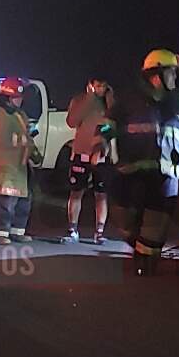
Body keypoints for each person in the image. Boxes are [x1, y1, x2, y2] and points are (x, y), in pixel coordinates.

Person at [107, 49, 179, 276]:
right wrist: (101, 140)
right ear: (155, 75)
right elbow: (108, 124)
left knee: (156, 226)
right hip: (131, 173)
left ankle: (146, 266)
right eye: (171, 73)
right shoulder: (129, 101)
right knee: (125, 220)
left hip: (166, 175)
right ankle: (140, 254)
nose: (174, 78)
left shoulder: (178, 105)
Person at [0, 76, 42, 245]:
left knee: (24, 200)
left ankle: (18, 231)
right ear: (7, 98)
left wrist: (33, 152)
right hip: (5, 166)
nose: (19, 101)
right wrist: (25, 141)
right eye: (16, 97)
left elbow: (25, 136)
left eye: (20, 98)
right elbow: (7, 139)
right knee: (5, 201)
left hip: (20, 165)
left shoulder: (20, 115)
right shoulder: (0, 115)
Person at [61, 77, 115, 244]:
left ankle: (99, 232)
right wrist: (89, 98)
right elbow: (71, 121)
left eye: (104, 85)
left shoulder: (109, 102)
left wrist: (105, 148)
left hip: (102, 156)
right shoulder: (79, 100)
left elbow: (115, 125)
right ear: (90, 85)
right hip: (81, 153)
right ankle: (72, 230)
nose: (101, 89)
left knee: (101, 195)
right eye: (98, 85)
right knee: (76, 191)